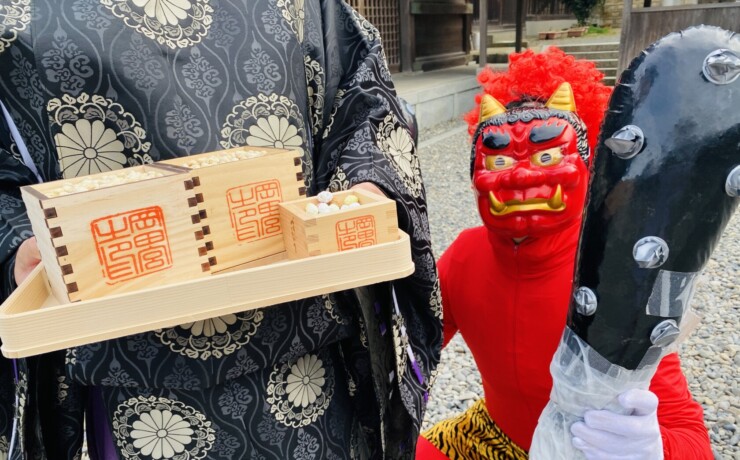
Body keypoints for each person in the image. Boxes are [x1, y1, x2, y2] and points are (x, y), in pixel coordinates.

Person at [0, 1, 441, 458]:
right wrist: (18, 243)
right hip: (132, 373)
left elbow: (361, 95)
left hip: (303, 348)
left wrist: (365, 184)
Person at [416, 48, 713, 459]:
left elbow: (692, 437)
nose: (521, 174)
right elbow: (411, 350)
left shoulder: (624, 273)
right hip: (489, 435)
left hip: (582, 450)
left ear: (590, 166)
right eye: (500, 160)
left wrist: (652, 447)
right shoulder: (465, 255)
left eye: (547, 156)